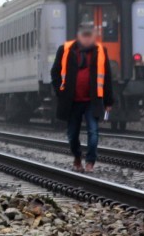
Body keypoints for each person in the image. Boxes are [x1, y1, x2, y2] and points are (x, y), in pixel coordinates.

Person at [51, 21, 114, 173]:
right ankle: (77, 157)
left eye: (89, 36)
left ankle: (90, 162)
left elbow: (107, 77)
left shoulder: (100, 51)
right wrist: (61, 92)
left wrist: (108, 100)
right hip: (72, 101)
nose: (87, 39)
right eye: (84, 36)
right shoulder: (65, 50)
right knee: (72, 134)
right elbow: (55, 73)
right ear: (79, 36)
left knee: (93, 132)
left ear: (94, 37)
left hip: (92, 101)